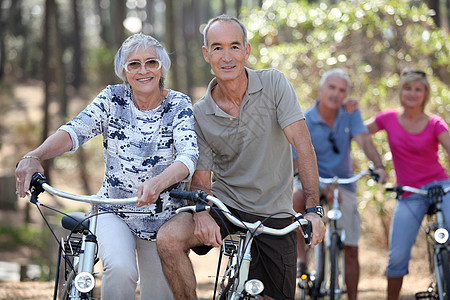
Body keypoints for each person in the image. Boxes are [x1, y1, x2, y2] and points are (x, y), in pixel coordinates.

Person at [15, 33, 199, 300]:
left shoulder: (178, 104)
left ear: (162, 68)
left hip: (162, 218)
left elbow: (188, 157)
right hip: (114, 209)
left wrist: (157, 184)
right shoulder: (112, 99)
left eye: (151, 63)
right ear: (123, 71)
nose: (143, 70)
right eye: (133, 64)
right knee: (121, 269)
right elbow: (74, 132)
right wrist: (35, 154)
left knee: (158, 295)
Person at [156, 15, 326, 300]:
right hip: (226, 206)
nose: (227, 57)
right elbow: (201, 180)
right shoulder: (200, 112)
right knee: (168, 239)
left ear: (246, 51)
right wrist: (202, 213)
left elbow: (303, 146)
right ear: (206, 54)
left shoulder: (274, 84)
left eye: (234, 47)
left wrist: (312, 209)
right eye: (218, 47)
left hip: (276, 215)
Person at [293, 68, 389, 300]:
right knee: (295, 199)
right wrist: (314, 184)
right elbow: (296, 162)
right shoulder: (305, 119)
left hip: (343, 183)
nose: (336, 94)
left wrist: (378, 165)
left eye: (342, 90)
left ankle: (352, 297)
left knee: (352, 247)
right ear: (322, 89)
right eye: (332, 88)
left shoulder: (350, 114)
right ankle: (300, 258)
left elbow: (364, 141)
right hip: (311, 180)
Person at [365, 70, 450, 300]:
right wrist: (378, 164)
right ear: (401, 91)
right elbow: (360, 132)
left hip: (442, 188)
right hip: (410, 192)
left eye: (418, 89)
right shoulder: (388, 118)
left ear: (425, 94)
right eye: (408, 88)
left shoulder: (435, 123)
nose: (412, 93)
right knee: (397, 257)